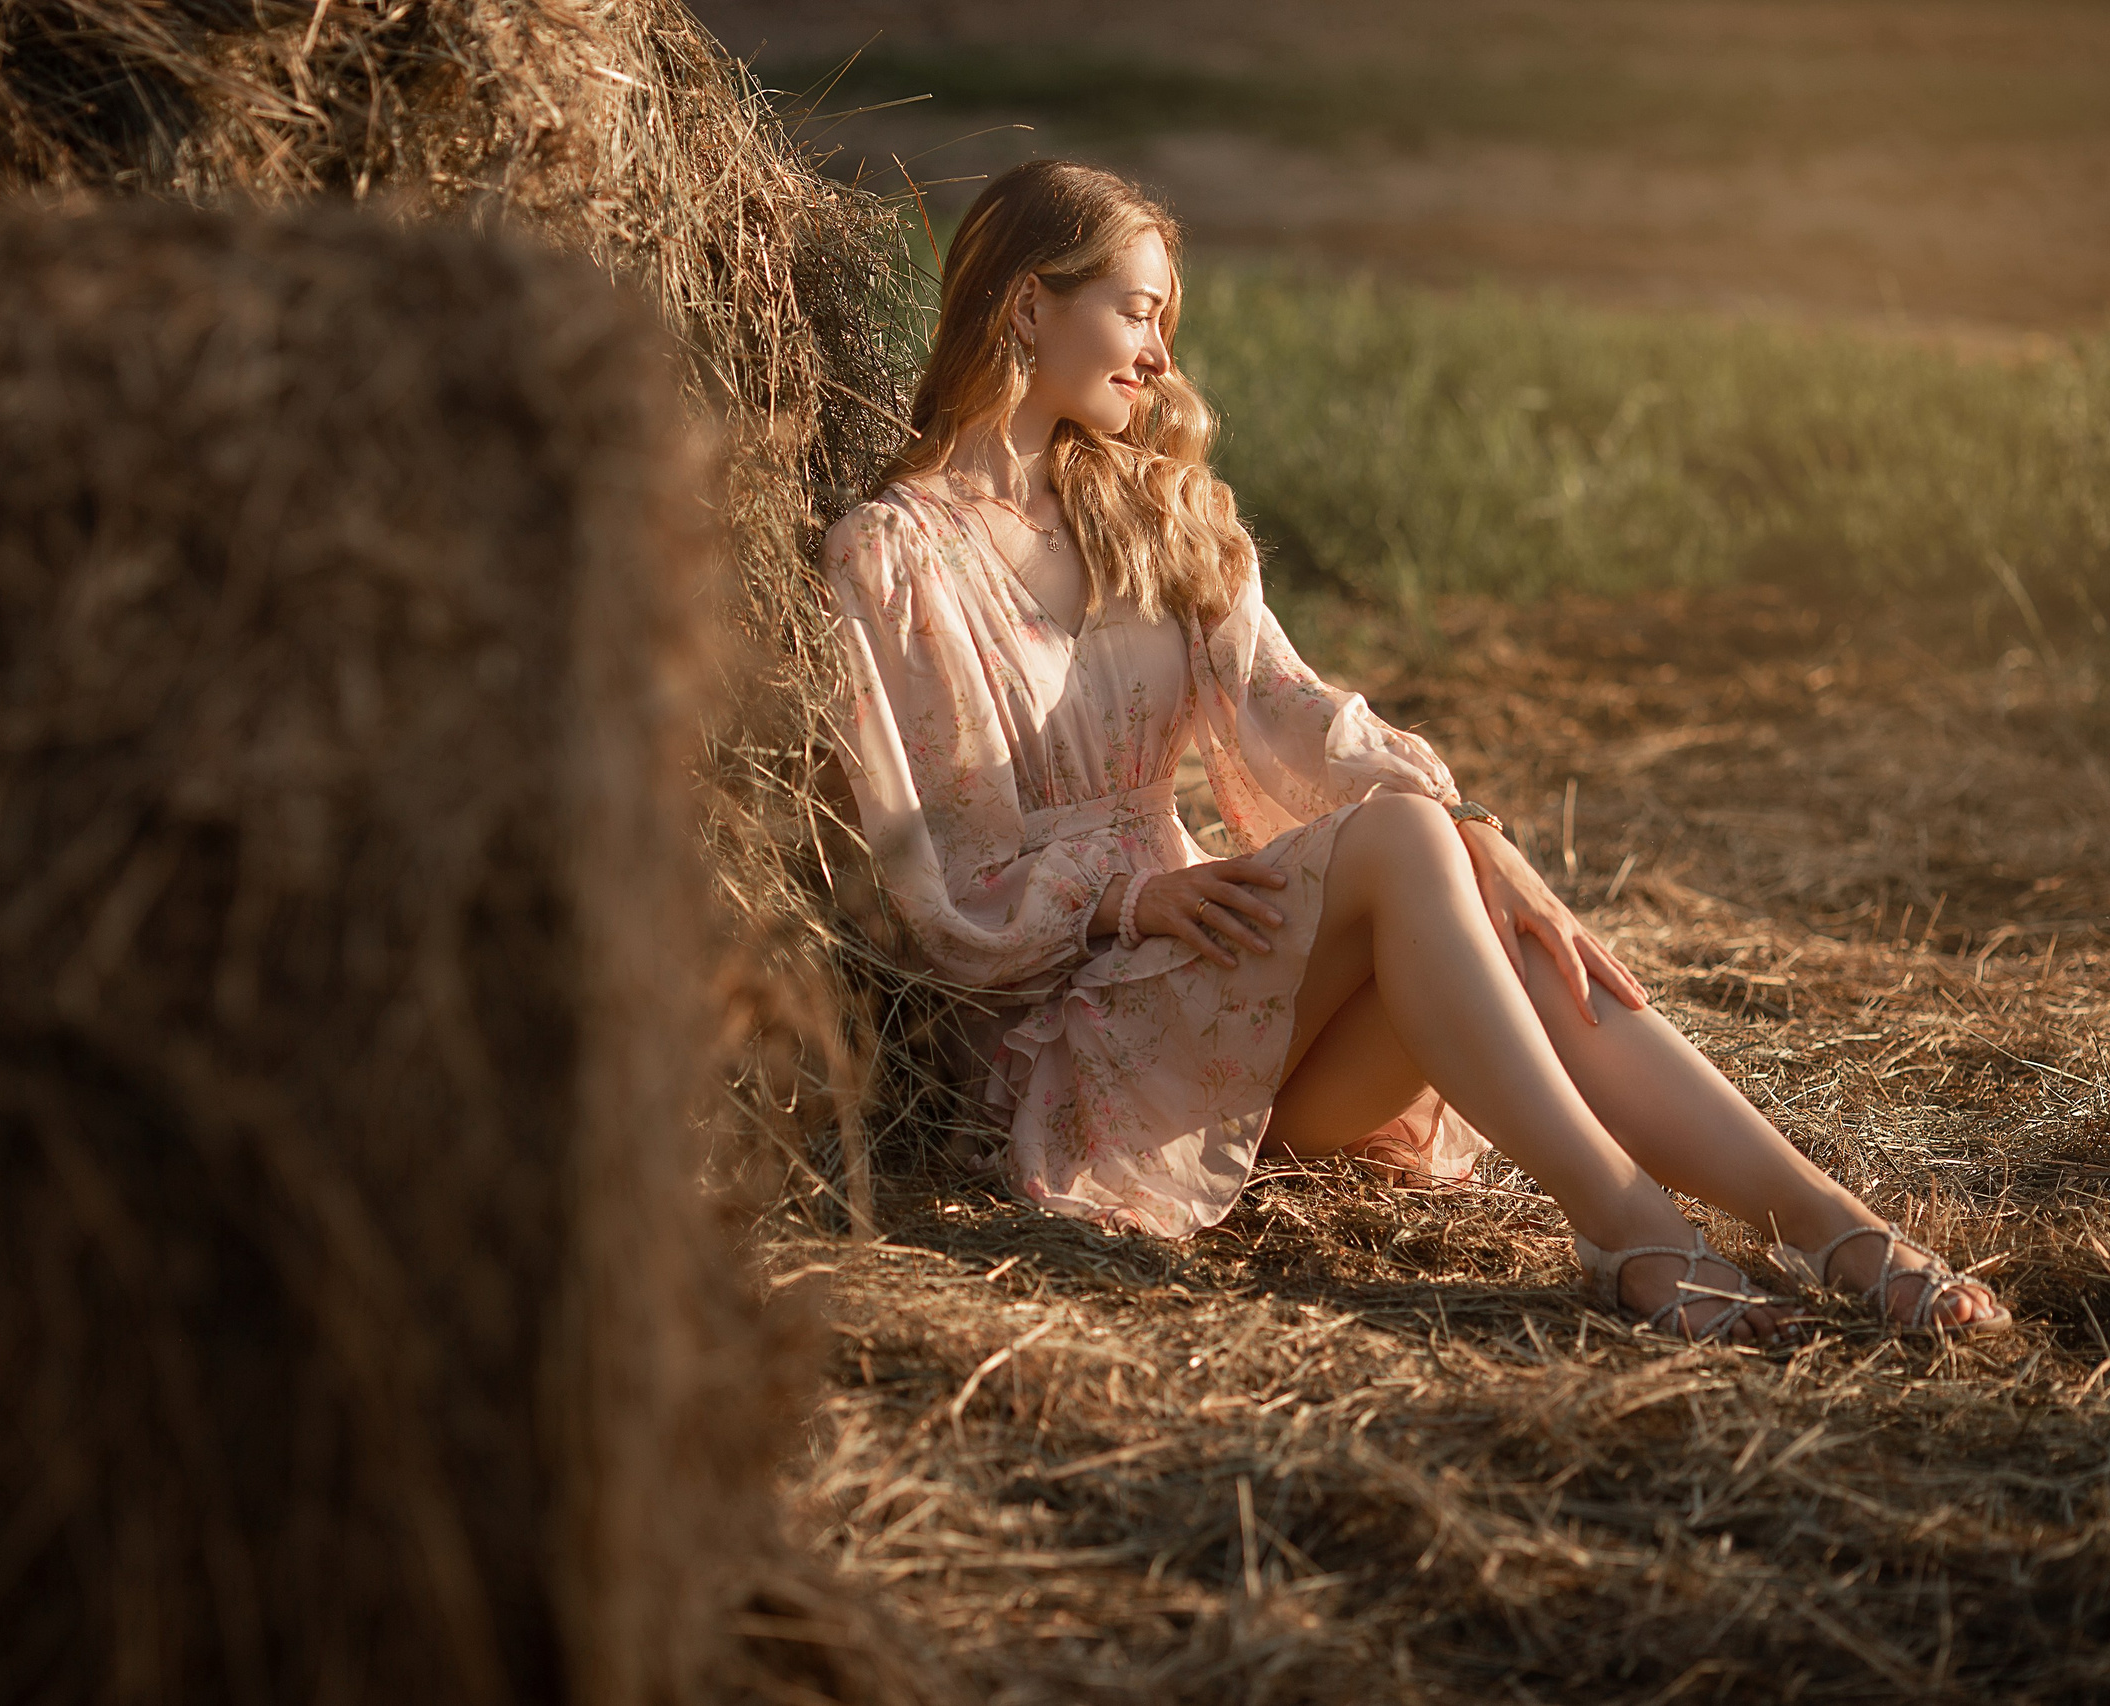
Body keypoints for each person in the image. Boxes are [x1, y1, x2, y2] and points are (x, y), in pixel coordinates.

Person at [820, 160, 2008, 1343]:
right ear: (1028, 305)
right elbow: (934, 878)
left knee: (1478, 889)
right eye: (1136, 310)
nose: (1160, 356)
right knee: (1401, 839)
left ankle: (1829, 1224)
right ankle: (1639, 1234)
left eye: (1164, 322)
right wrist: (1129, 894)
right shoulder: (896, 554)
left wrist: (1477, 832)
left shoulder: (1152, 515)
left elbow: (1299, 712)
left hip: (1224, 1018)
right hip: (1075, 1058)